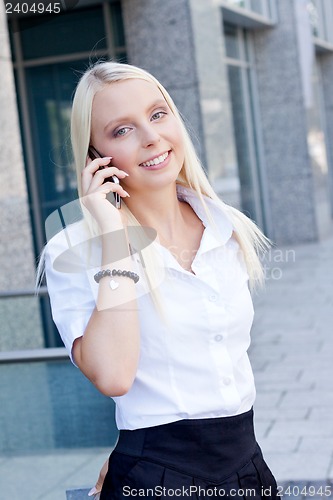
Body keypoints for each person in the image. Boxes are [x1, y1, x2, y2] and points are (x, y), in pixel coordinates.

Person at [42, 60, 277, 499]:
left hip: (248, 467)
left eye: (157, 114)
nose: (151, 137)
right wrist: (115, 237)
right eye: (122, 130)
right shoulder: (73, 251)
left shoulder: (226, 227)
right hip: (154, 478)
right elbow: (113, 375)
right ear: (96, 157)